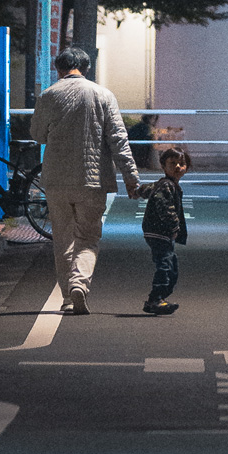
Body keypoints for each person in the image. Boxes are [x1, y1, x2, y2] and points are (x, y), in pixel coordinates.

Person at [31, 45, 141, 315]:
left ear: (59, 68)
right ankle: (80, 284)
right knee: (88, 238)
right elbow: (118, 140)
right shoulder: (103, 95)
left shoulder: (48, 95)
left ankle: (68, 296)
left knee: (63, 239)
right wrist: (131, 178)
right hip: (92, 181)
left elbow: (37, 134)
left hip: (56, 180)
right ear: (87, 69)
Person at [139, 146, 191, 316]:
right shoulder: (166, 185)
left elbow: (147, 190)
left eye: (181, 164)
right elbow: (166, 208)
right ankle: (156, 299)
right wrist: (174, 227)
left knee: (171, 265)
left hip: (160, 233)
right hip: (159, 232)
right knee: (165, 265)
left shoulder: (165, 184)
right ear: (163, 165)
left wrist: (137, 191)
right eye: (172, 163)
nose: (177, 167)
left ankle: (156, 299)